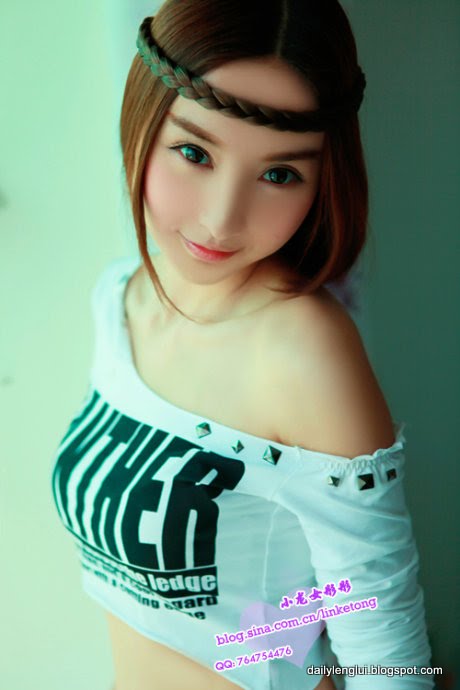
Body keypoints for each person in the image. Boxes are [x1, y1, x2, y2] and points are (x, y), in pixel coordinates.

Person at [51, 1, 434, 689]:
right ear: (142, 122)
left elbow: (386, 656)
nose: (221, 219)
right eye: (194, 153)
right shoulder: (122, 298)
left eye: (279, 174)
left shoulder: (303, 351)